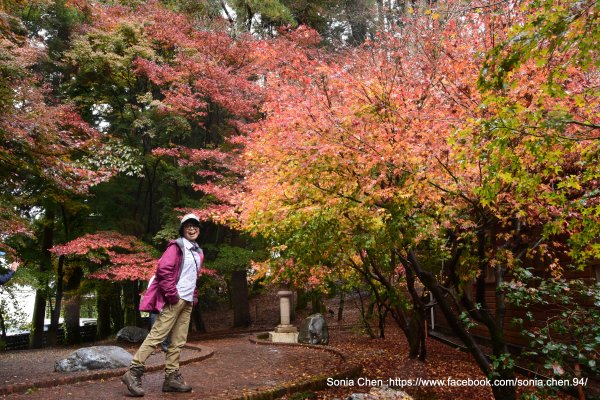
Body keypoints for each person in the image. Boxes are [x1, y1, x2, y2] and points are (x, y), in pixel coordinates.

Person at [121, 214, 204, 397]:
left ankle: (171, 378)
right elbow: (163, 271)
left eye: (195, 226)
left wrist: (194, 296)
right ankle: (133, 372)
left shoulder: (198, 252)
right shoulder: (176, 247)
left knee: (178, 341)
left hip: (188, 301)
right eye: (188, 226)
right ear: (182, 229)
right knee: (156, 336)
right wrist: (173, 296)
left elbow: (193, 277)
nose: (192, 229)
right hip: (175, 300)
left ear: (199, 229)